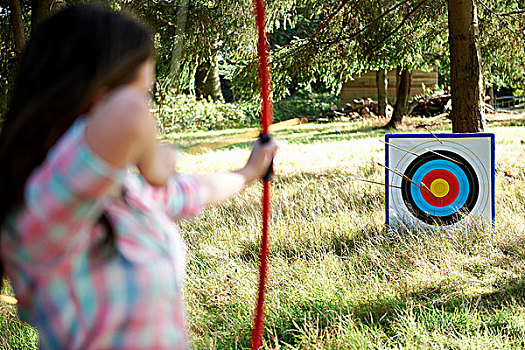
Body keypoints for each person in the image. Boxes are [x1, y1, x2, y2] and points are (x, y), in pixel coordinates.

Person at [0, 4, 277, 349]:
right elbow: (127, 115)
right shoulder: (42, 207)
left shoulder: (120, 192)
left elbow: (193, 191)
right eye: (143, 93)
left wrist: (248, 172)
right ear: (93, 93)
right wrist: (156, 167)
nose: (146, 109)